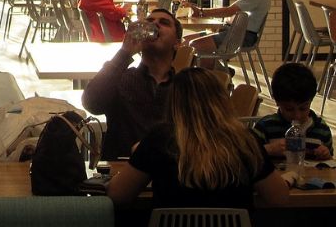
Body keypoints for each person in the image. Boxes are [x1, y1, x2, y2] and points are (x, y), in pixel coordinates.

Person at [106, 68, 288, 209]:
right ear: (221, 99)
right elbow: (278, 198)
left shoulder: (159, 140)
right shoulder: (244, 141)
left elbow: (118, 195)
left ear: (174, 102)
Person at [82, 8, 182, 160]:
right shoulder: (122, 78)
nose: (155, 24)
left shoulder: (184, 86)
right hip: (122, 170)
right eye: (150, 21)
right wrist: (124, 53)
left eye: (164, 23)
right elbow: (92, 103)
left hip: (168, 173)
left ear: (177, 43)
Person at [252, 63, 334, 160]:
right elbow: (248, 158)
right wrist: (268, 149)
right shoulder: (265, 127)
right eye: (289, 109)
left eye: (303, 108)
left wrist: (326, 155)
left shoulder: (321, 129)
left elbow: (331, 162)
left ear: (311, 101)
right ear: (277, 102)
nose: (297, 116)